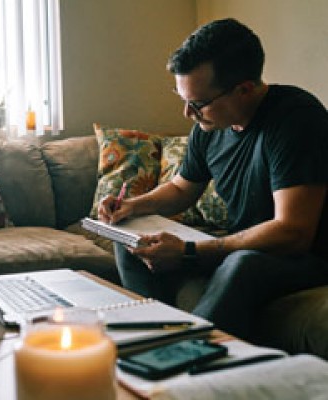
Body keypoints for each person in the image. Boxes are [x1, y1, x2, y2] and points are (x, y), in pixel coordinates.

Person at [98, 18, 328, 340]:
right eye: (183, 100)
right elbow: (181, 188)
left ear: (244, 89)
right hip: (244, 243)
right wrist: (131, 208)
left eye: (198, 103)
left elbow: (293, 231)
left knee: (242, 265)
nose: (187, 114)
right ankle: (152, 336)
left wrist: (190, 251)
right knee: (131, 239)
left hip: (305, 256)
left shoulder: (296, 119)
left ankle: (186, 353)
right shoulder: (209, 126)